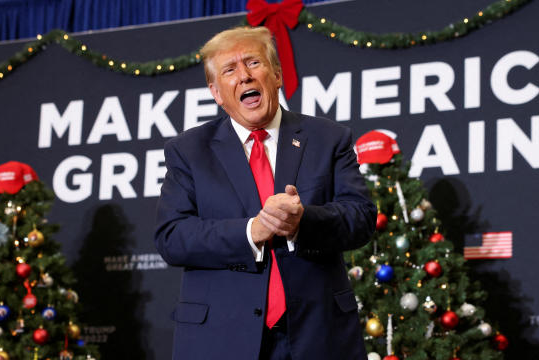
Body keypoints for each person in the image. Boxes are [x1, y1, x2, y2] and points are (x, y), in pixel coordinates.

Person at [154, 26, 376, 359]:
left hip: (317, 335)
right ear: (216, 92)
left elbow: (361, 217)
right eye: (230, 70)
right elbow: (172, 236)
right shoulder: (188, 151)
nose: (243, 76)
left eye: (253, 63)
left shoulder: (328, 138)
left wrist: (302, 222)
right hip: (222, 338)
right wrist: (251, 231)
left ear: (276, 75)